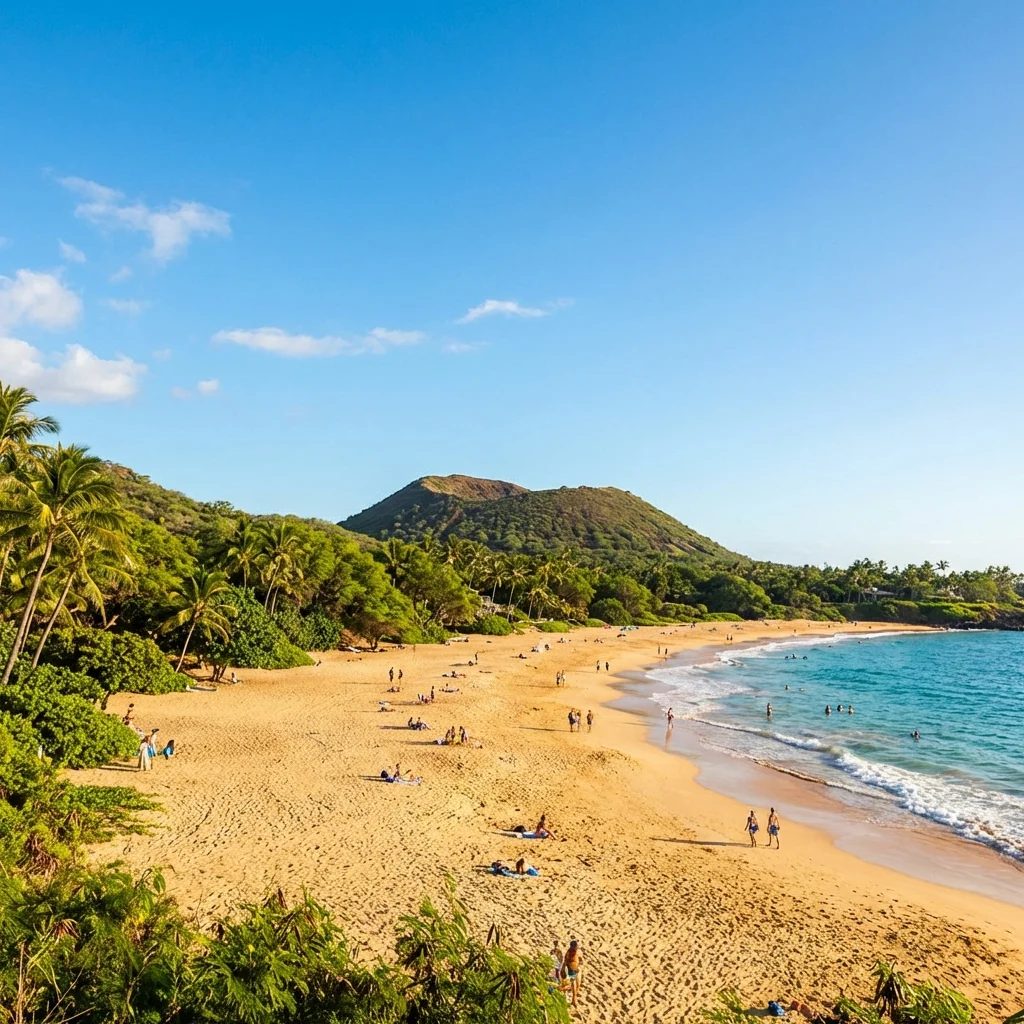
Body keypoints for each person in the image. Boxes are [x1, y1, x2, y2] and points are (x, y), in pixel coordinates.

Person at [562, 939, 582, 1006]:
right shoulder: (568, 953)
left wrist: (580, 966)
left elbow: (581, 960)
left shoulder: (579, 952)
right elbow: (565, 962)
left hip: (577, 968)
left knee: (578, 983)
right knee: (574, 983)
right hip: (571, 970)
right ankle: (574, 999)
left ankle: (574, 994)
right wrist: (563, 969)